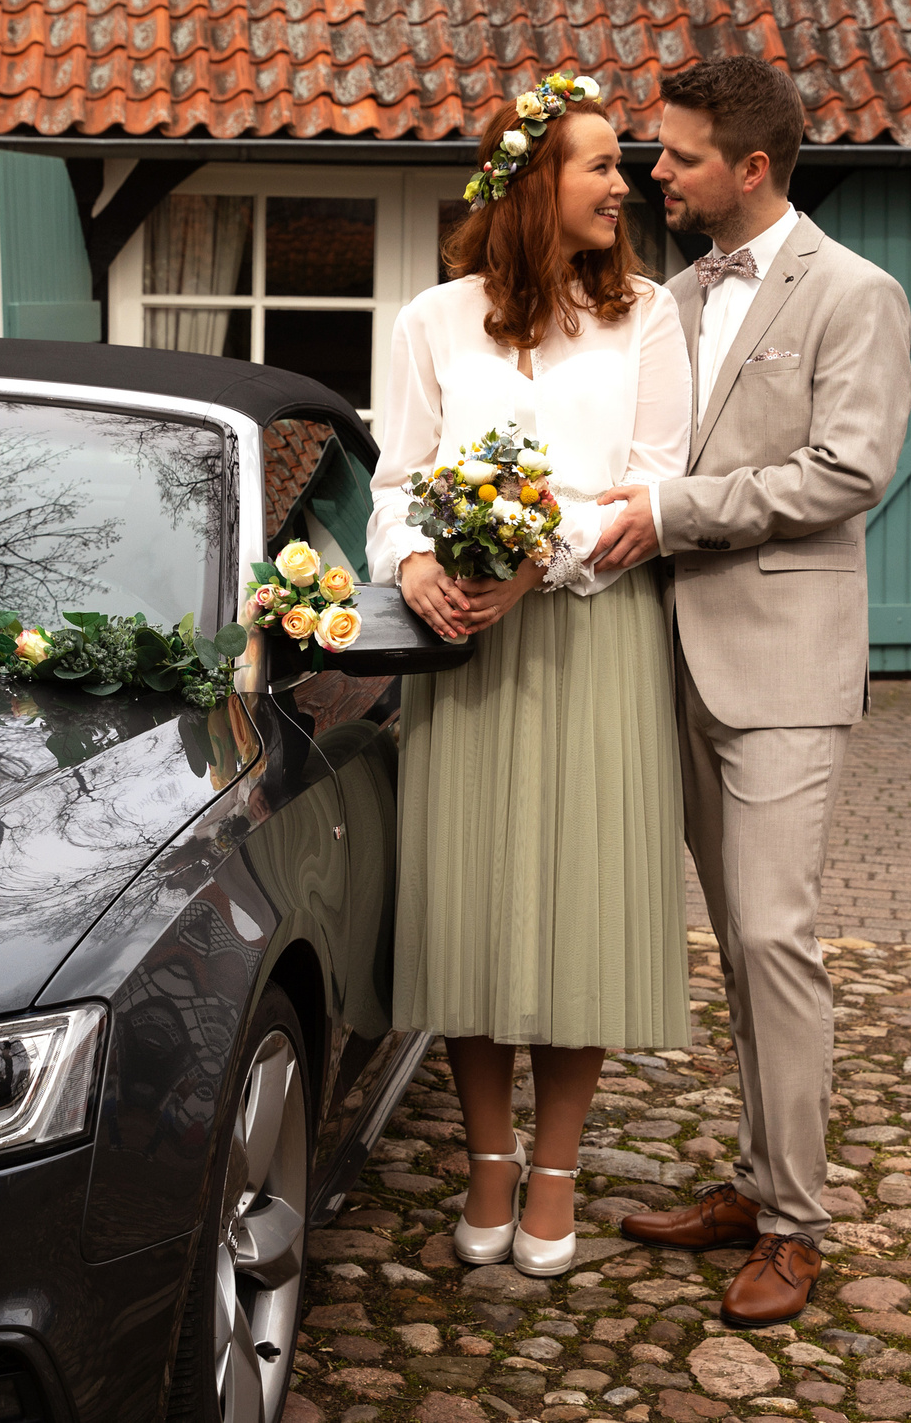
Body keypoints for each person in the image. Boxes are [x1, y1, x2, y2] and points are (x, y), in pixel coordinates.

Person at [589, 55, 911, 1325]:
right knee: (731, 943)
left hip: (781, 663)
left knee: (774, 935)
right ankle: (751, 1179)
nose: (651, 171)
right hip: (657, 658)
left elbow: (847, 471)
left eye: (675, 155)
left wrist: (673, 512)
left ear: (753, 167)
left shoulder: (856, 294)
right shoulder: (668, 296)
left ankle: (794, 1224)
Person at [367, 73, 692, 1278]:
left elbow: (646, 489)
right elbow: (394, 481)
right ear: (529, 183)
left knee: (581, 906)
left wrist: (531, 569)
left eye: (623, 165)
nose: (626, 184)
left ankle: (555, 1169)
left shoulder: (647, 317)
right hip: (463, 643)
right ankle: (487, 1161)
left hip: (596, 632)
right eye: (602, 164)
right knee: (469, 902)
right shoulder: (432, 320)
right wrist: (411, 569)